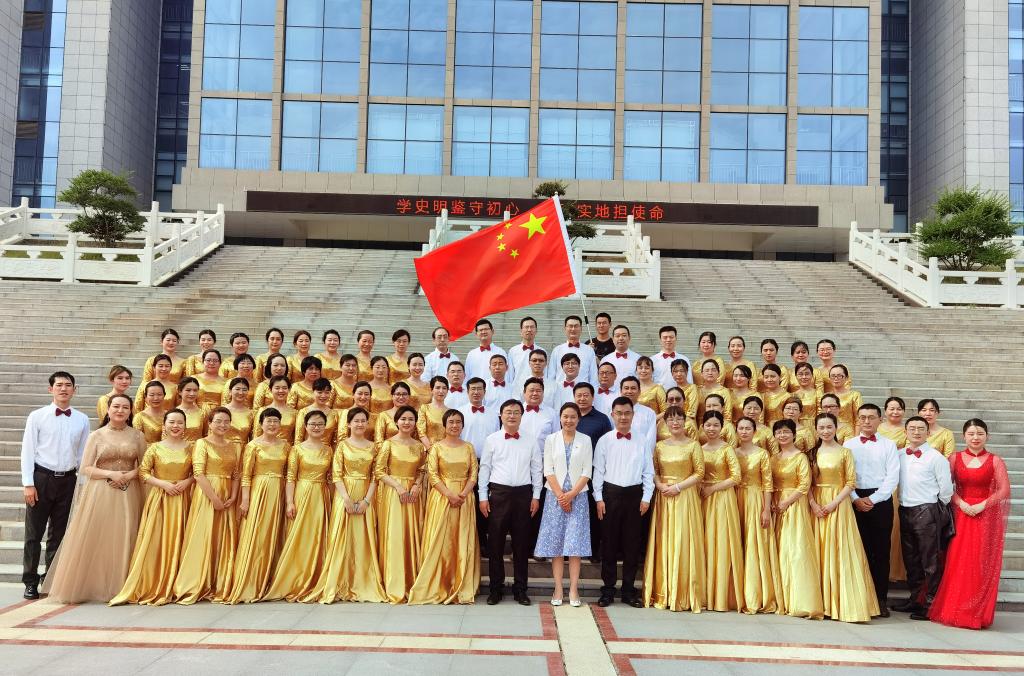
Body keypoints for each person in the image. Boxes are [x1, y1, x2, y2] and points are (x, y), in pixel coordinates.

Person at [38, 392, 145, 603]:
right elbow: (85, 468)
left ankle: (122, 586)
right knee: (99, 536)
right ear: (108, 409)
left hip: (128, 492)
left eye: (125, 407)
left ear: (130, 411)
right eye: (116, 406)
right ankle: (95, 585)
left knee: (125, 534)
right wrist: (111, 474)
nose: (120, 410)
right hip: (100, 491)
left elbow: (144, 466)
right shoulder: (96, 436)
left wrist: (127, 476)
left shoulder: (137, 436)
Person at [929, 419, 1011, 630]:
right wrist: (961, 503)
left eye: (980, 433)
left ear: (987, 436)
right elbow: (945, 486)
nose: (975, 437)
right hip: (961, 515)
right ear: (964, 436)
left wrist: (983, 504)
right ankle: (954, 609)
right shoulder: (954, 458)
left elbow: (1003, 490)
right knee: (957, 561)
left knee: (980, 562)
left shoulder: (995, 461)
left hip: (986, 518)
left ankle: (976, 613)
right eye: (971, 433)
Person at [109, 408, 195, 606]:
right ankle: (154, 581)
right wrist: (163, 484)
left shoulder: (192, 448)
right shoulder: (155, 448)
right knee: (157, 539)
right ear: (164, 426)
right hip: (160, 498)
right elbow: (143, 473)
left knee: (182, 539)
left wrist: (187, 482)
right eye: (171, 422)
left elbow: (198, 472)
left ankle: (179, 584)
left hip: (184, 498)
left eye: (180, 423)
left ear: (185, 426)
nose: (175, 426)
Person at [22, 372, 92, 594]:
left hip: (68, 481)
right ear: (50, 389)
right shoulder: (37, 416)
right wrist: (28, 483)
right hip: (41, 479)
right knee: (34, 534)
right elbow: (28, 450)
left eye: (68, 385)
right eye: (59, 385)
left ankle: (50, 580)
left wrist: (82, 484)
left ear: (74, 390)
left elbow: (83, 455)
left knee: (59, 535)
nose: (63, 388)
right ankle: (30, 581)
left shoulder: (82, 419)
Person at [809, 413, 879, 622]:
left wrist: (833, 503)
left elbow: (850, 482)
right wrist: (813, 504)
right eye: (821, 427)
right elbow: (806, 483)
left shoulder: (845, 452)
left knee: (840, 549)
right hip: (816, 504)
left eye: (829, 427)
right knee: (818, 549)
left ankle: (843, 603)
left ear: (836, 428)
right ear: (816, 429)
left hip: (839, 504)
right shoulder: (811, 453)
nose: (825, 431)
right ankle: (819, 602)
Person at [315, 407, 386, 604]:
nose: (360, 424)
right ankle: (338, 582)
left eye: (363, 421)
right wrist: (346, 498)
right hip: (344, 493)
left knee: (364, 538)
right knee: (341, 537)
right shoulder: (342, 446)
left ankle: (363, 582)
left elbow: (376, 476)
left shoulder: (374, 447)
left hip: (366, 493)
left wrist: (366, 500)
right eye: (356, 421)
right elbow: (336, 474)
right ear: (348, 424)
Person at [408, 409, 480, 605]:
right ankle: (438, 583)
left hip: (464, 498)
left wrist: (463, 494)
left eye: (458, 422)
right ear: (444, 425)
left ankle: (460, 583)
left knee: (461, 538)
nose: (455, 425)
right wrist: (449, 494)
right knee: (440, 539)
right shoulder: (436, 448)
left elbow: (473, 474)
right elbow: (433, 475)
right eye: (451, 422)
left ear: (462, 425)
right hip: (442, 497)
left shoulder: (469, 447)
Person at [172, 407, 240, 604]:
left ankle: (218, 582)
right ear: (209, 424)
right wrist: (214, 499)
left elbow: (236, 474)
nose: (222, 425)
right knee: (203, 535)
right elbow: (199, 474)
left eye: (226, 421)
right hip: (207, 493)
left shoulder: (234, 446)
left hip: (227, 494)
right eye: (218, 421)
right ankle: (196, 583)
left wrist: (233, 496)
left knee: (223, 538)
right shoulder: (202, 443)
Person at [264, 410, 334, 602]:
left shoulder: (328, 450)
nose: (316, 427)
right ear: (305, 427)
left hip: (321, 494)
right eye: (313, 424)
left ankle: (315, 578)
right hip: (302, 493)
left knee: (317, 536)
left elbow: (330, 477)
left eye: (320, 424)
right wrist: (290, 501)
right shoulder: (297, 449)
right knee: (299, 535)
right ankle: (294, 579)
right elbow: (291, 477)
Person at [223, 408, 289, 603]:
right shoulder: (253, 446)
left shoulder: (286, 446)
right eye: (268, 421)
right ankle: (250, 581)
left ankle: (270, 580)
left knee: (275, 533)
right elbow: (246, 474)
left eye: (276, 421)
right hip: (259, 490)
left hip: (278, 490)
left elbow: (288, 473)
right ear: (261, 424)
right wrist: (245, 499)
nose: (272, 425)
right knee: (256, 533)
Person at [479, 400, 542, 606]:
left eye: (516, 412)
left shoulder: (531, 440)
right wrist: (482, 497)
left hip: (524, 495)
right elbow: (485, 469)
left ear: (522, 416)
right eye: (508, 412)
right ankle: (495, 589)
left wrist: (536, 496)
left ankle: (520, 589)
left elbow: (537, 469)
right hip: (499, 494)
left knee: (521, 546)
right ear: (501, 415)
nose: (512, 416)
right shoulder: (492, 440)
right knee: (495, 545)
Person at [593, 397, 654, 608]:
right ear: (612, 415)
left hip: (635, 496)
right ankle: (608, 590)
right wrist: (599, 498)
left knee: (632, 546)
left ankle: (628, 590)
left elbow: (648, 472)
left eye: (627, 413)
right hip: (610, 495)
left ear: (633, 415)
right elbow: (598, 472)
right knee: (609, 544)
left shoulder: (642, 440)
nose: (623, 417)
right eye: (619, 413)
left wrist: (646, 498)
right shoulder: (605, 440)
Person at [643, 405, 705, 613]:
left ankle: (683, 593)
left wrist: (678, 487)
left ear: (685, 422)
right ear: (665, 423)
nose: (675, 422)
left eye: (679, 419)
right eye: (671, 419)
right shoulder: (660, 446)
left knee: (683, 540)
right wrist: (660, 485)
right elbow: (654, 470)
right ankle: (664, 591)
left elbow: (699, 473)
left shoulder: (693, 445)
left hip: (685, 496)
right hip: (664, 497)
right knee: (665, 540)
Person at [892, 416, 954, 620]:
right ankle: (915, 599)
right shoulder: (899, 455)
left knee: (930, 560)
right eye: (912, 428)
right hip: (905, 509)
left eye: (921, 429)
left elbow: (946, 490)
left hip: (927, 510)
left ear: (928, 433)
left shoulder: (936, 457)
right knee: (911, 559)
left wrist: (933, 508)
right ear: (905, 432)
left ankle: (930, 604)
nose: (916, 432)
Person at [844, 403, 899, 617]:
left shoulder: (889, 445)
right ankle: (860, 600)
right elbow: (844, 475)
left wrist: (873, 499)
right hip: (854, 498)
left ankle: (880, 599)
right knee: (858, 550)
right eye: (863, 417)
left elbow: (892, 477)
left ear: (880, 420)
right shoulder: (848, 444)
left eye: (871, 417)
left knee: (881, 551)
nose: (866, 421)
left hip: (881, 500)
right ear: (857, 419)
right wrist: (856, 499)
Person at [534, 403, 592, 607]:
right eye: (565, 416)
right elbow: (548, 470)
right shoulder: (551, 439)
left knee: (575, 546)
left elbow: (587, 471)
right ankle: (558, 588)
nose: (569, 420)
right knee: (557, 544)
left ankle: (574, 588)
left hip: (578, 497)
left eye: (573, 417)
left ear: (578, 419)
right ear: (560, 418)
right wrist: (561, 496)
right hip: (554, 497)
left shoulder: (585, 440)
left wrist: (571, 495)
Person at [373, 406, 427, 604]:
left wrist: (417, 485)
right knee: (394, 535)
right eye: (403, 419)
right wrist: (398, 486)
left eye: (410, 419)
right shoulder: (388, 444)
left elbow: (422, 469)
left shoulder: (419, 446)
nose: (407, 422)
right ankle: (393, 582)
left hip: (412, 493)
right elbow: (379, 471)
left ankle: (411, 580)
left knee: (410, 534)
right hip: (393, 492)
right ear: (396, 422)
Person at [771, 419, 824, 619]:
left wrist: (786, 502)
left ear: (794, 434)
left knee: (796, 549)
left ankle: (800, 600)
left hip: (794, 504)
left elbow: (804, 485)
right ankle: (781, 596)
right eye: (779, 432)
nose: (782, 435)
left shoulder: (800, 457)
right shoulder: (773, 458)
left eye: (786, 432)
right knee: (778, 549)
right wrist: (774, 503)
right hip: (776, 504)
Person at [733, 416, 781, 615]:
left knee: (754, 544)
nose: (744, 432)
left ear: (754, 432)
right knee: (736, 542)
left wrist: (766, 509)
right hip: (734, 498)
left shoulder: (762, 454)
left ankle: (755, 593)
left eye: (748, 428)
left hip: (754, 498)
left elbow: (768, 483)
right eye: (741, 428)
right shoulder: (732, 452)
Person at [698, 410, 743, 612]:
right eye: (708, 425)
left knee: (722, 542)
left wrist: (712, 489)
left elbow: (736, 477)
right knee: (705, 542)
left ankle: (721, 595)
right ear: (702, 427)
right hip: (703, 499)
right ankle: (704, 592)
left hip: (723, 498)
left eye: (716, 425)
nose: (712, 428)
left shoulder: (727, 449)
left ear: (722, 428)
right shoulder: (699, 449)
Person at [574, 383, 613, 564]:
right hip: (572, 473)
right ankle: (571, 549)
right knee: (572, 511)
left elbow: (608, 445)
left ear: (592, 397)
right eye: (579, 395)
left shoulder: (602, 419)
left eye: (586, 395)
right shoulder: (569, 416)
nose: (582, 398)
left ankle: (594, 550)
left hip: (593, 473)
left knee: (593, 512)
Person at [550, 315, 598, 385]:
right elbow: (551, 376)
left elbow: (594, 377)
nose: (573, 329)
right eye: (570, 326)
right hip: (560, 391)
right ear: (565, 328)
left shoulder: (589, 351)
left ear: (581, 329)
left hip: (583, 391)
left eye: (576, 326)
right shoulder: (557, 350)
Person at [295, 378, 340, 446]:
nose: (323, 396)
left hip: (326, 451)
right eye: (320, 392)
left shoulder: (334, 414)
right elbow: (298, 439)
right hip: (307, 450)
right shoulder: (304, 412)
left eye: (327, 392)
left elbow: (334, 440)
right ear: (313, 392)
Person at [465, 319, 511, 383]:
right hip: (476, 388)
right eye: (481, 330)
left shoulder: (501, 352)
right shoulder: (471, 354)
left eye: (486, 329)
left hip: (495, 388)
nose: (483, 332)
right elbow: (467, 375)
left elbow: (507, 374)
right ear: (476, 334)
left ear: (492, 331)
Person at [252, 375, 296, 442]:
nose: (281, 391)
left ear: (289, 390)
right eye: (277, 388)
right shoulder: (262, 411)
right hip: (265, 448)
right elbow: (256, 436)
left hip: (287, 447)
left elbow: (296, 439)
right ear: (270, 389)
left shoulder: (295, 413)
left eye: (284, 388)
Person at [417, 375, 450, 448]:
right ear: (431, 390)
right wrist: (432, 450)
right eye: (438, 388)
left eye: (444, 388)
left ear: (447, 391)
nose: (441, 391)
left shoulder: (450, 412)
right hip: (428, 450)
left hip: (446, 450)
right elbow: (421, 433)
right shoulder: (424, 408)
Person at [696, 360, 732, 424]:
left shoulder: (724, 392)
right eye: (707, 370)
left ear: (718, 373)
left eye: (713, 370)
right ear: (701, 374)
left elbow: (727, 416)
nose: (710, 373)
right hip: (699, 426)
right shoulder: (697, 391)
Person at [828, 365, 862, 430]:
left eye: (839, 376)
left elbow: (858, 419)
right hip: (829, 432)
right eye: (833, 376)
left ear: (846, 377)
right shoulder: (826, 396)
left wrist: (856, 435)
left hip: (849, 431)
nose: (836, 378)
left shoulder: (854, 395)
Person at [508, 316, 542, 382]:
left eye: (532, 327)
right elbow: (510, 374)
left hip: (536, 387)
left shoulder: (542, 351)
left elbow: (544, 374)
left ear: (536, 331)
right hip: (517, 387)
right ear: (521, 331)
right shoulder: (513, 351)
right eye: (526, 327)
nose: (529, 330)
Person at [223, 377, 254, 446]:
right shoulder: (222, 411)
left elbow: (252, 438)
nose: (241, 393)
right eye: (237, 389)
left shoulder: (251, 414)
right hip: (223, 448)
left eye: (244, 390)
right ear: (230, 391)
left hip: (243, 449)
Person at [176, 377, 207, 442]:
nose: (192, 394)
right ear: (180, 392)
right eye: (188, 390)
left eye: (195, 390)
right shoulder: (173, 414)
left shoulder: (202, 413)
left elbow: (206, 435)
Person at [789, 363, 819, 427]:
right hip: (796, 427)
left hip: (813, 427)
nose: (804, 377)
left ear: (812, 375)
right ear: (796, 376)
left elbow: (820, 414)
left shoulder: (818, 394)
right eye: (800, 374)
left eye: (807, 374)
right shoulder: (792, 395)